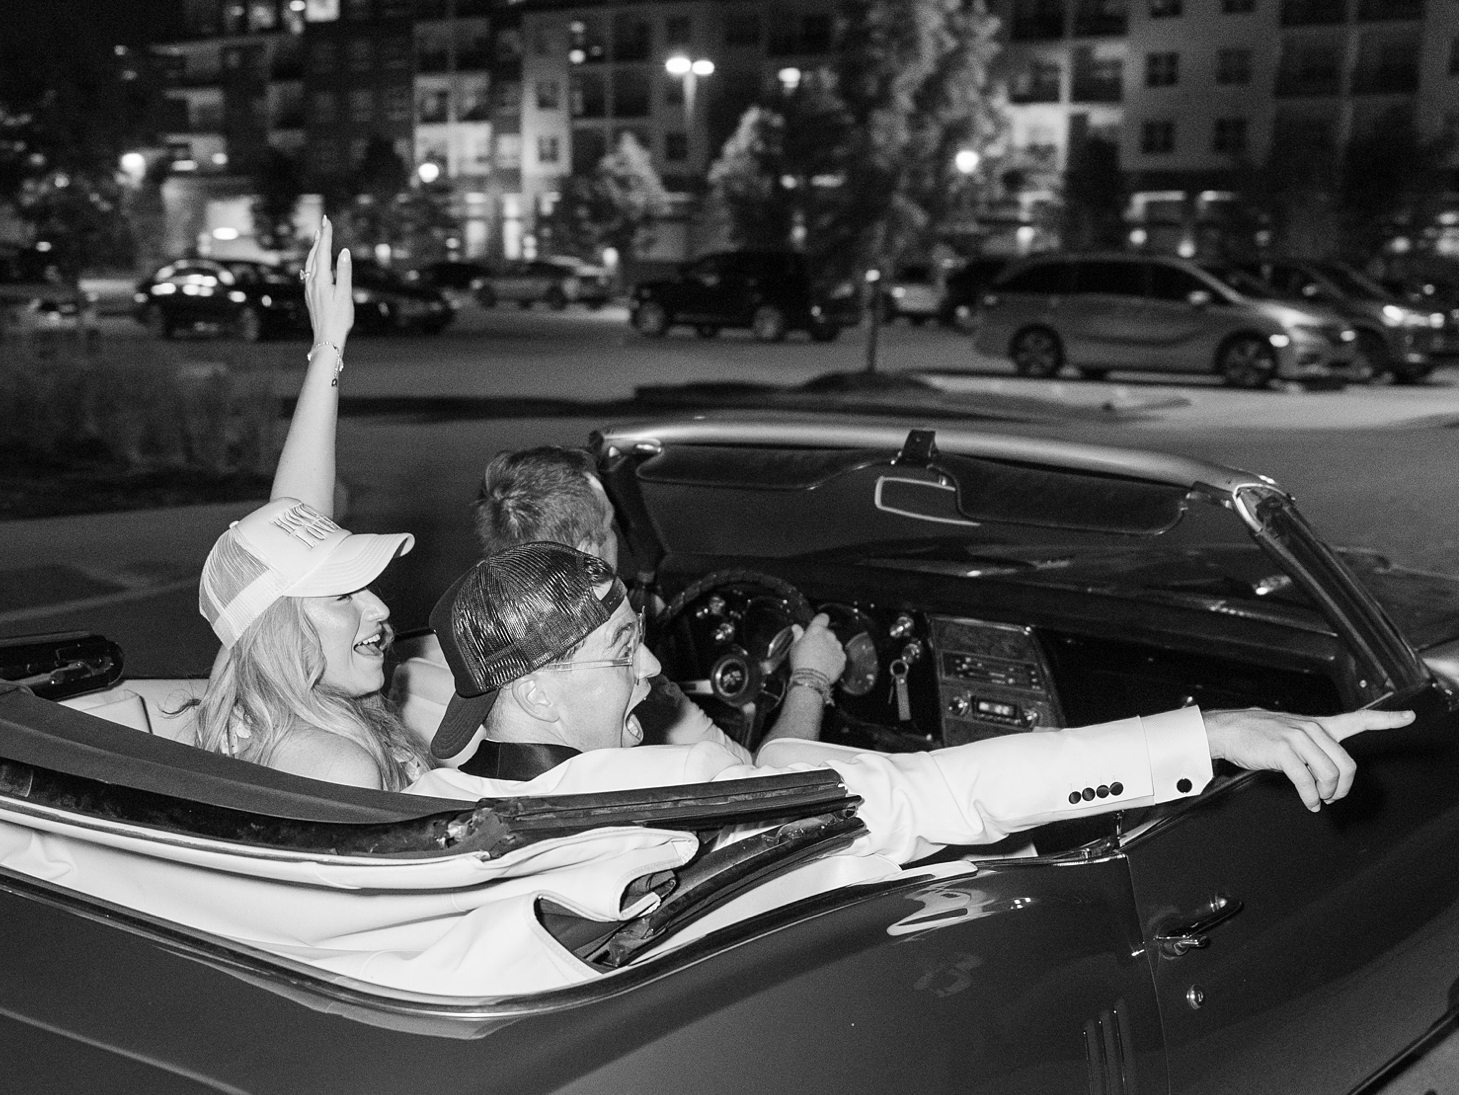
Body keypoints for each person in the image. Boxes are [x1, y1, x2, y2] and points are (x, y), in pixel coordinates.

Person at [412, 542, 1415, 854]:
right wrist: (1215, 727)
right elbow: (954, 790)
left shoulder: (425, 801)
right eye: (625, 650)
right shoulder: (704, 803)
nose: (648, 674)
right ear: (538, 691)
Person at [394, 442, 847, 758]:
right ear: (591, 552)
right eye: (611, 525)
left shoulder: (413, 667)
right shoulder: (628, 685)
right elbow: (766, 787)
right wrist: (811, 678)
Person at [192, 219, 430, 789]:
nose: (379, 609)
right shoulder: (337, 764)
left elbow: (291, 527)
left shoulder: (261, 708)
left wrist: (328, 348)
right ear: (282, 631)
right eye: (345, 593)